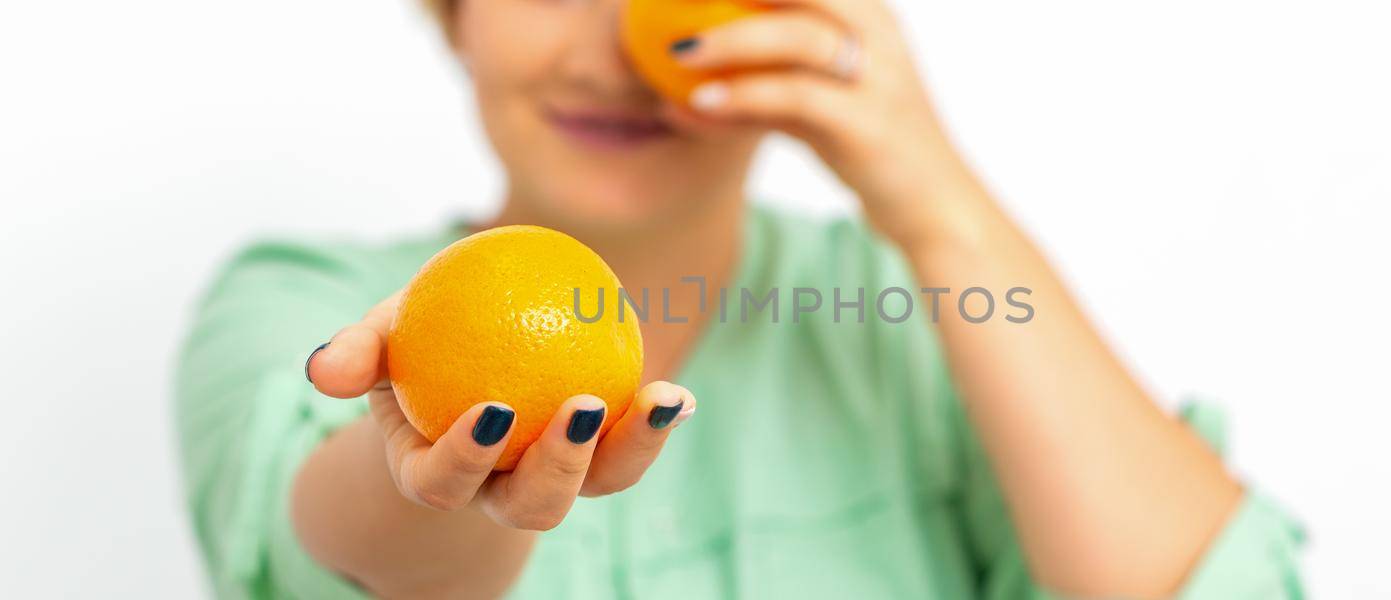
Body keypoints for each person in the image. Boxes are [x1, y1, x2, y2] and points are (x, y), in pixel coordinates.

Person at [175, 0, 1303, 597]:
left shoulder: (905, 309)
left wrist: (936, 201)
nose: (612, 54)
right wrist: (426, 477)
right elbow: (325, 553)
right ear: (456, 12)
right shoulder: (296, 300)